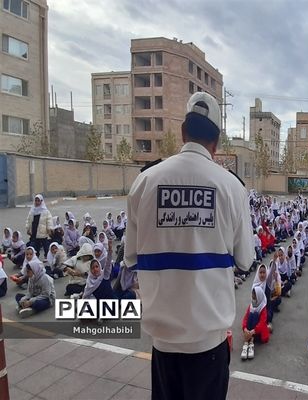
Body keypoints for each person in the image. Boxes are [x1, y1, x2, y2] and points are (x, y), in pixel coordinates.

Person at [125, 92, 255, 400]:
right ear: (217, 141)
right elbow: (246, 261)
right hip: (208, 344)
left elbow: (131, 258)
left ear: (183, 132)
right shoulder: (231, 187)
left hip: (163, 345)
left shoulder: (145, 182)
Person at [241, 286, 269, 360]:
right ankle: (246, 342)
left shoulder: (263, 307)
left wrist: (254, 331)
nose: (253, 298)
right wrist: (245, 328)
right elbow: (245, 318)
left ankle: (250, 343)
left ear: (259, 296)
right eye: (253, 296)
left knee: (255, 314)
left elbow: (262, 323)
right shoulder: (251, 305)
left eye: (255, 296)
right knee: (251, 314)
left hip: (258, 333)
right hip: (251, 331)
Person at [25, 194, 53, 259]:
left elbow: (49, 220)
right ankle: (35, 256)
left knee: (45, 245)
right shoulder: (32, 210)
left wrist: (49, 228)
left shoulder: (45, 211)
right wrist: (28, 228)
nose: (37, 202)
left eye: (38, 201)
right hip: (34, 232)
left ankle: (47, 256)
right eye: (36, 200)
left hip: (42, 232)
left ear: (41, 201)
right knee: (35, 246)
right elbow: (28, 220)